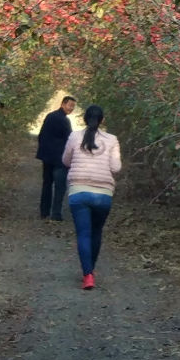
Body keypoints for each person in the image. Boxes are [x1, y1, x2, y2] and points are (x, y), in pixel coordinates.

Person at [61, 104, 121, 289]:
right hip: (103, 194)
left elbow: (65, 160)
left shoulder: (74, 136)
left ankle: (88, 275)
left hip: (78, 191)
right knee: (96, 232)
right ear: (102, 120)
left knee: (83, 234)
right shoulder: (112, 140)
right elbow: (116, 168)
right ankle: (91, 269)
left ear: (84, 119)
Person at [36, 95, 76, 224]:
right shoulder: (64, 121)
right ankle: (56, 213)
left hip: (47, 156)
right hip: (59, 158)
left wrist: (43, 150)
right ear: (63, 104)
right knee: (59, 186)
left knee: (47, 184)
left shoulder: (50, 116)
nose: (71, 109)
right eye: (70, 105)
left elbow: (41, 135)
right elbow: (70, 139)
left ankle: (44, 211)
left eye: (73, 107)